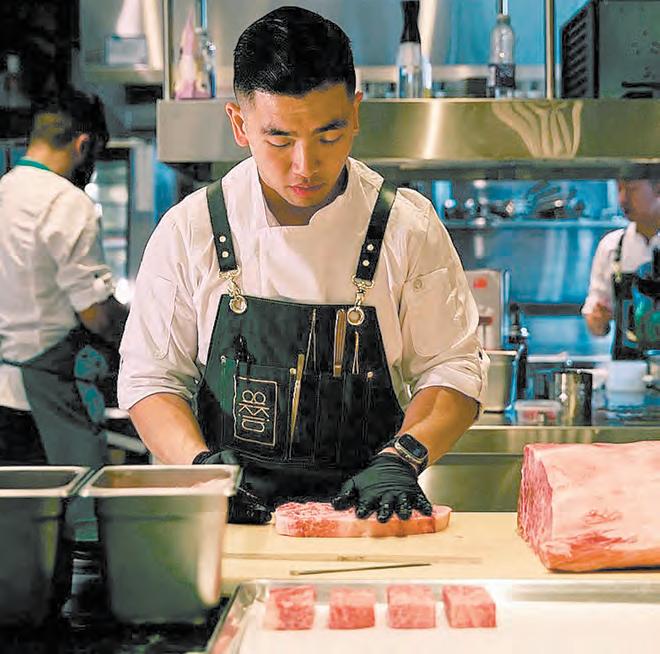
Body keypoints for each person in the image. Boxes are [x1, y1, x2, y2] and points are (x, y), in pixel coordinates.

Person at [118, 6, 488, 524]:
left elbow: (454, 366)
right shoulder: (190, 229)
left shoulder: (408, 226)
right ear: (239, 123)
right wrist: (203, 470)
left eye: (328, 136)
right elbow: (150, 379)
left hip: (368, 521)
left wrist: (403, 459)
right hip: (226, 527)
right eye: (279, 139)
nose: (305, 165)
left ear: (356, 113)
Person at [0, 89, 129, 467]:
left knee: (19, 502)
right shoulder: (67, 202)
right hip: (49, 394)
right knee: (76, 495)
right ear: (83, 145)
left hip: (5, 392)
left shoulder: (4, 191)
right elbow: (97, 315)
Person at [583, 179, 659, 359]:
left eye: (632, 189)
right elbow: (596, 327)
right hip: (627, 369)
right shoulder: (612, 245)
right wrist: (598, 318)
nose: (622, 199)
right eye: (619, 189)